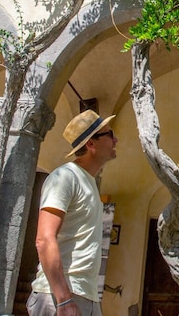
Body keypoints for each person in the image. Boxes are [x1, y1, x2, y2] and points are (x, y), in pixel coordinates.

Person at [27, 109, 118, 316]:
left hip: (85, 296)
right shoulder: (66, 177)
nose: (116, 140)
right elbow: (44, 238)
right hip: (60, 297)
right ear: (91, 144)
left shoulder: (89, 183)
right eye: (110, 134)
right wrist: (64, 299)